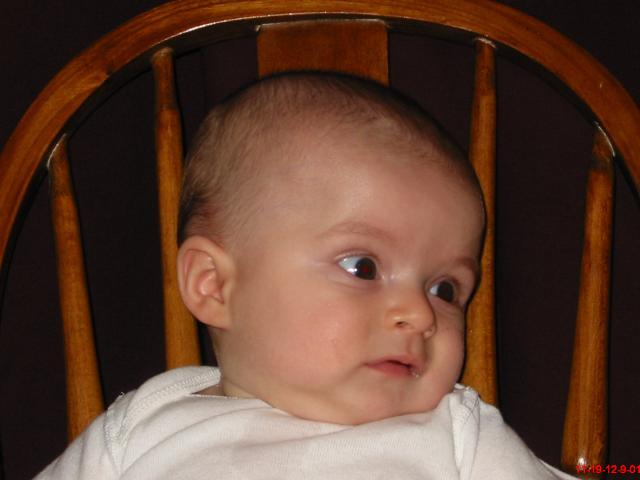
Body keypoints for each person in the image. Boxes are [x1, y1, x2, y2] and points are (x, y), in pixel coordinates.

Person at [35, 73, 576, 479]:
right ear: (213, 285)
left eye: (445, 289)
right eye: (363, 267)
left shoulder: (459, 434)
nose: (419, 313)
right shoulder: (142, 427)